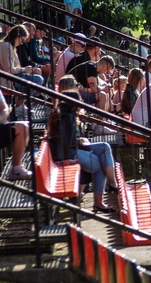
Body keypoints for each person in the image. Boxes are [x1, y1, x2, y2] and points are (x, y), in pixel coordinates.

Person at [49, 76, 119, 212]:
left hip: (74, 149)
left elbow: (71, 139)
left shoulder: (67, 115)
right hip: (69, 155)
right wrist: (80, 143)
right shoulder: (67, 118)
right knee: (99, 165)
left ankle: (112, 183)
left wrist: (81, 141)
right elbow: (66, 143)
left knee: (105, 147)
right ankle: (100, 200)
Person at [0, 25, 45, 96]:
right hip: (3, 80)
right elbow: (9, 70)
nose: (21, 43)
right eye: (22, 40)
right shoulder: (6, 46)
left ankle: (21, 104)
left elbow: (15, 68)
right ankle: (20, 104)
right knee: (38, 80)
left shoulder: (11, 47)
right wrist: (24, 70)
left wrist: (25, 70)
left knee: (38, 78)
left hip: (10, 78)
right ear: (17, 36)